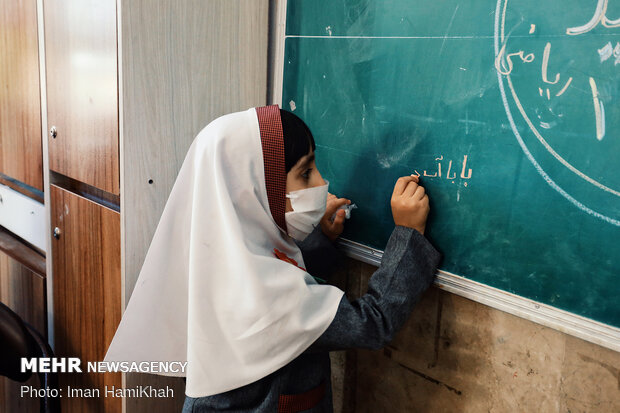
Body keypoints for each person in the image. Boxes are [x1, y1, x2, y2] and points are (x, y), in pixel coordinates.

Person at [104, 105, 440, 413]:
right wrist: (408, 236)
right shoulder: (266, 299)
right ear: (252, 191)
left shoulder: (215, 262)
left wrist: (321, 241)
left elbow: (286, 281)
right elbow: (373, 322)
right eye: (306, 172)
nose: (322, 182)